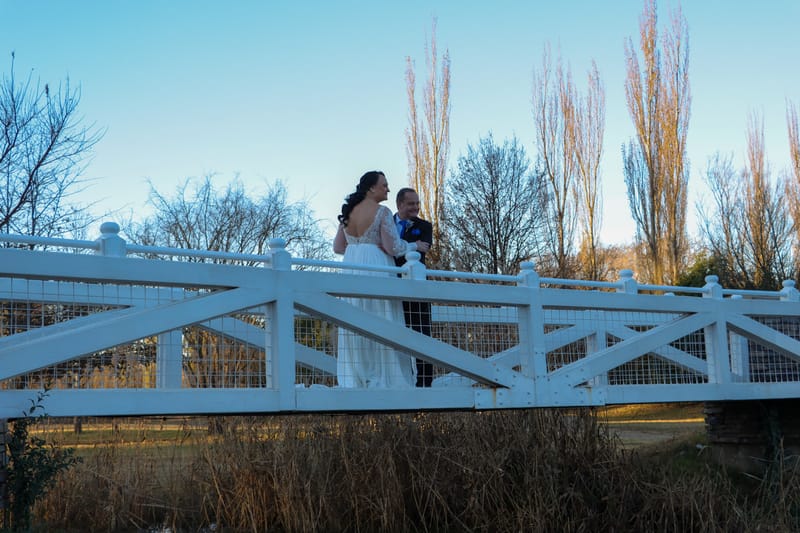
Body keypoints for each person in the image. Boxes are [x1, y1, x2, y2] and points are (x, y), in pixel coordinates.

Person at [333, 171, 429, 388]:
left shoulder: (348, 212)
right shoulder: (383, 212)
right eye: (384, 185)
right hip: (376, 265)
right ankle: (385, 376)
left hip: (352, 266)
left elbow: (338, 247)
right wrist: (414, 246)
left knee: (355, 318)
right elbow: (394, 248)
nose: (388, 189)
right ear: (371, 189)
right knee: (381, 315)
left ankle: (357, 375)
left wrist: (358, 248)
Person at [393, 188, 435, 387]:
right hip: (390, 285)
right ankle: (400, 379)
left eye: (417, 203)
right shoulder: (386, 224)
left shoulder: (425, 226)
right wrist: (411, 244)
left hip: (416, 287)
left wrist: (399, 245)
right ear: (400, 204)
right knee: (393, 332)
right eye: (411, 204)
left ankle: (425, 382)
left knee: (421, 332)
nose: (416, 208)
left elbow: (424, 246)